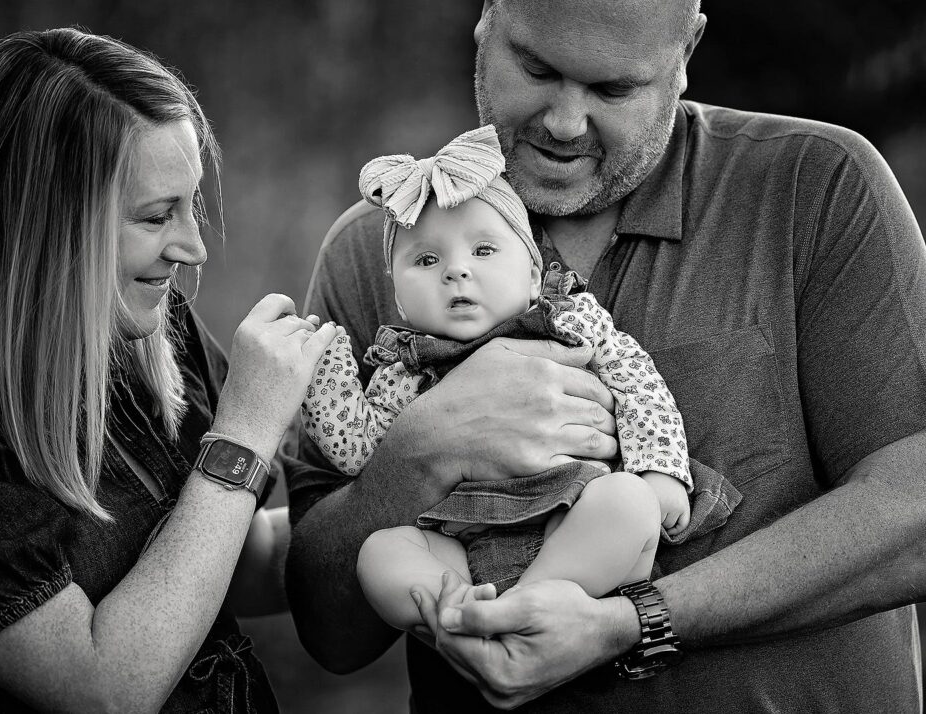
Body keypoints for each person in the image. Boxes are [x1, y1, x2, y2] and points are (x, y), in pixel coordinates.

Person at [283, 0, 926, 711]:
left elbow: (915, 511)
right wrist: (417, 457)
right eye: (536, 68)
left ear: (687, 52)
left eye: (612, 90)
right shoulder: (387, 243)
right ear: (486, 21)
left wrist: (633, 621)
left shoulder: (817, 185)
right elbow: (330, 631)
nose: (563, 121)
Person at [0, 28, 339, 712]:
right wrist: (243, 433)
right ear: (48, 225)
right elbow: (107, 690)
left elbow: (220, 567)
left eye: (194, 203)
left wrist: (417, 494)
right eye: (156, 216)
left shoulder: (148, 326)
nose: (194, 246)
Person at [300, 124, 731, 632]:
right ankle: (467, 619)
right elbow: (358, 449)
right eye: (427, 260)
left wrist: (658, 469)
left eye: (484, 251)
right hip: (464, 545)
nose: (456, 272)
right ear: (398, 298)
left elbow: (637, 381)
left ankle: (525, 606)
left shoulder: (568, 321)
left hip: (573, 521)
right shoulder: (404, 370)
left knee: (629, 503)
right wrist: (322, 366)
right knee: (380, 553)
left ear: (532, 272)